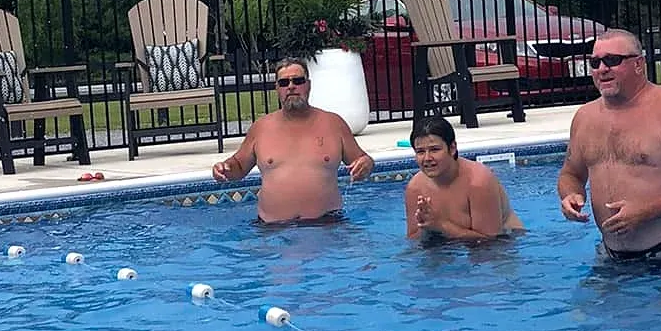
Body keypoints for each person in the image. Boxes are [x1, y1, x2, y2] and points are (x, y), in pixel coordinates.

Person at [557, 29, 661, 264]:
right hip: (611, 254)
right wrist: (570, 195)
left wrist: (646, 212)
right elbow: (570, 173)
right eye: (595, 62)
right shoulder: (585, 118)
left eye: (613, 60)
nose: (602, 69)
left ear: (638, 64)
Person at [211, 59, 374, 223]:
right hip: (272, 230)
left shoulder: (333, 124)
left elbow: (362, 161)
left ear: (308, 85)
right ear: (277, 88)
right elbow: (238, 166)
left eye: (297, 80)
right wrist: (224, 169)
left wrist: (366, 164)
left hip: (327, 226)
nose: (290, 86)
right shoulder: (261, 128)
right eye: (283, 82)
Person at [404, 117, 524, 241]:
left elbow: (490, 242)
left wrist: (441, 225)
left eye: (434, 149)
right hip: (448, 244)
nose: (427, 158)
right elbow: (414, 240)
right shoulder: (415, 188)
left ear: (452, 148)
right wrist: (426, 227)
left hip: (505, 241)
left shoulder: (478, 182)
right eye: (420, 152)